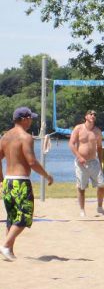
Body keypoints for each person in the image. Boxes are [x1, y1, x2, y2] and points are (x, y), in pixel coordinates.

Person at [0, 107, 54, 261]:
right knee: (25, 217)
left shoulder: (5, 137)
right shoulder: (26, 137)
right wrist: (47, 176)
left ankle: (8, 251)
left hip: (8, 181)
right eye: (30, 118)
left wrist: (1, 180)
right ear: (24, 119)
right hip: (21, 181)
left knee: (12, 217)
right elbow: (32, 162)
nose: (31, 121)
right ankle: (5, 245)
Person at [69, 109, 104, 217]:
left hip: (93, 161)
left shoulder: (97, 131)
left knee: (101, 185)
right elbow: (71, 144)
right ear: (86, 116)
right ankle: (82, 210)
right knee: (81, 187)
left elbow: (99, 148)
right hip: (81, 162)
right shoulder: (78, 128)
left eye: (95, 114)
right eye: (91, 114)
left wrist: (101, 162)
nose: (93, 115)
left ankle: (100, 207)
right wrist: (79, 156)